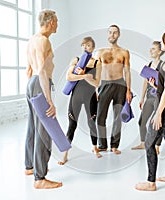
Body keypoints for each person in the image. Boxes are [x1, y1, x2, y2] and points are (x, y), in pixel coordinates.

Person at [135, 29, 165, 191]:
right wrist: (155, 85)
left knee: (149, 142)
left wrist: (158, 113)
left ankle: (150, 183)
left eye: (163, 39)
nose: (162, 42)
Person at [24, 10, 62, 189]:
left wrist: (33, 90)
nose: (57, 24)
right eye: (56, 21)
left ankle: (29, 167)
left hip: (32, 84)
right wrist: (48, 99)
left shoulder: (32, 39)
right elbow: (41, 71)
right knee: (43, 130)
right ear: (50, 22)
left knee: (33, 126)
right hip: (40, 83)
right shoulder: (43, 40)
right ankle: (40, 178)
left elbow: (28, 71)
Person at [58, 37, 102, 165]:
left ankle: (95, 147)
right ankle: (65, 154)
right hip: (76, 96)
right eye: (83, 45)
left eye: (88, 45)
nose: (85, 47)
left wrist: (87, 77)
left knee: (92, 123)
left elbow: (97, 83)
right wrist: (83, 75)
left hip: (90, 97)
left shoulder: (97, 63)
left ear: (93, 48)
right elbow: (69, 77)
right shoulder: (76, 60)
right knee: (72, 124)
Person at [96, 24, 132, 154]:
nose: (112, 35)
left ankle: (114, 145)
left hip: (120, 85)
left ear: (119, 35)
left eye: (115, 32)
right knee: (100, 116)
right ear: (107, 34)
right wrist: (95, 88)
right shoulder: (100, 52)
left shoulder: (124, 52)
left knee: (117, 117)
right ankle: (102, 145)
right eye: (110, 32)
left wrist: (128, 90)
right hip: (104, 84)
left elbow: (127, 72)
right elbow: (96, 72)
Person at [132, 41, 164, 154]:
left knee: (156, 123)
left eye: (154, 49)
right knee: (141, 121)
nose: (151, 50)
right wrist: (142, 98)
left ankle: (157, 146)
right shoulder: (149, 65)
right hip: (149, 97)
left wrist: (155, 86)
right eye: (151, 48)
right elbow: (145, 82)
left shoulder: (163, 66)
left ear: (160, 52)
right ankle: (143, 143)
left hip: (158, 98)